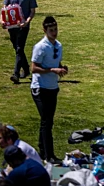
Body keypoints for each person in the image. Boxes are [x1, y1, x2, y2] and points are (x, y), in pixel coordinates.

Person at [30, 16, 66, 164]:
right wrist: (52, 70)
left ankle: (42, 151)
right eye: (51, 30)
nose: (54, 32)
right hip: (40, 88)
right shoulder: (40, 47)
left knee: (48, 121)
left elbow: (57, 62)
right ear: (45, 30)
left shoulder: (58, 45)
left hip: (53, 87)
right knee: (46, 121)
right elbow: (34, 68)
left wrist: (62, 68)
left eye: (55, 29)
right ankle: (49, 155)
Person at [1, 0, 37, 85]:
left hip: (23, 27)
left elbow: (32, 11)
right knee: (17, 49)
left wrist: (27, 22)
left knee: (19, 48)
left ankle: (16, 74)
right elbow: (4, 9)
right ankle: (26, 69)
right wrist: (2, 21)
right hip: (12, 27)